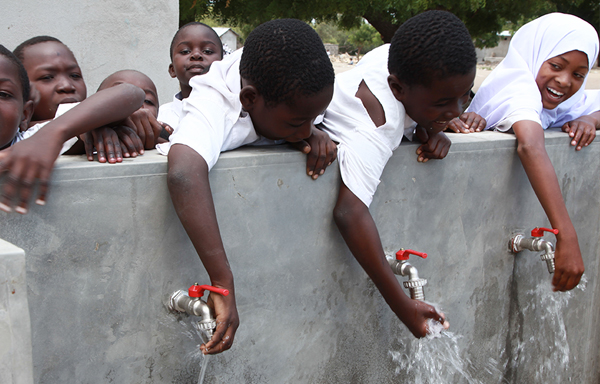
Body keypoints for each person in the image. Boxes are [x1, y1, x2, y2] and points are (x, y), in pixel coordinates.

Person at [166, 18, 336, 354]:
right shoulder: (214, 100)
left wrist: (312, 130)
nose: (306, 130)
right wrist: (222, 282)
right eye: (296, 122)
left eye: (314, 118)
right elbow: (183, 172)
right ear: (248, 99)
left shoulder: (292, 79)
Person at [320, 10, 477, 338]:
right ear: (397, 88)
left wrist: (430, 122)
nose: (459, 111)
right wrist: (402, 305)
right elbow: (349, 212)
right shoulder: (379, 126)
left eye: (466, 95)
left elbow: (428, 98)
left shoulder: (397, 57)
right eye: (445, 102)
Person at [465, 13, 599, 292]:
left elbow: (589, 103)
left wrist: (591, 119)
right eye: (556, 65)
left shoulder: (567, 102)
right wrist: (567, 236)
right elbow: (530, 145)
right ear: (535, 53)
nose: (564, 81)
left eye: (577, 75)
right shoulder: (518, 88)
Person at [0, 46, 145, 213]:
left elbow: (131, 92)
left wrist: (52, 134)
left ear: (25, 115)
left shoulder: (32, 142)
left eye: (3, 94)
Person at [159, 22, 224, 131]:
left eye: (207, 51)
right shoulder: (160, 116)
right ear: (172, 70)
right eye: (185, 51)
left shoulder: (234, 113)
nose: (196, 55)